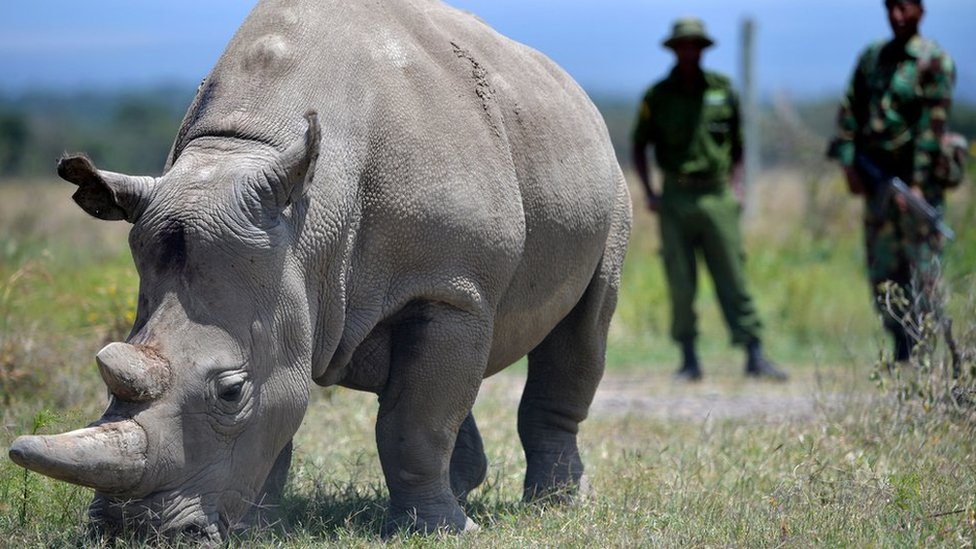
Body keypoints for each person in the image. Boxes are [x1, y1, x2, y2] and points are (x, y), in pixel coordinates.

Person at [631, 17, 787, 382]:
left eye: (695, 45)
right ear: (674, 49)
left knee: (734, 275)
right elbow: (639, 146)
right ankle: (688, 359)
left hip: (717, 195)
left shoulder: (722, 90)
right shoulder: (657, 96)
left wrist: (737, 188)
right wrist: (651, 192)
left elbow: (739, 145)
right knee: (680, 281)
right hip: (676, 197)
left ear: (702, 49)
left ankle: (754, 353)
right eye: (683, 45)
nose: (689, 51)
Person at [831, 0, 957, 363]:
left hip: (918, 186)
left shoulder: (934, 61)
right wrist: (848, 165)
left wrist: (916, 184)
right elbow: (849, 110)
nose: (897, 16)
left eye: (905, 7)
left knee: (924, 273)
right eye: (891, 8)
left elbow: (932, 129)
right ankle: (899, 346)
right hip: (876, 183)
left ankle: (926, 352)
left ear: (921, 10)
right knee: (883, 270)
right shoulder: (873, 57)